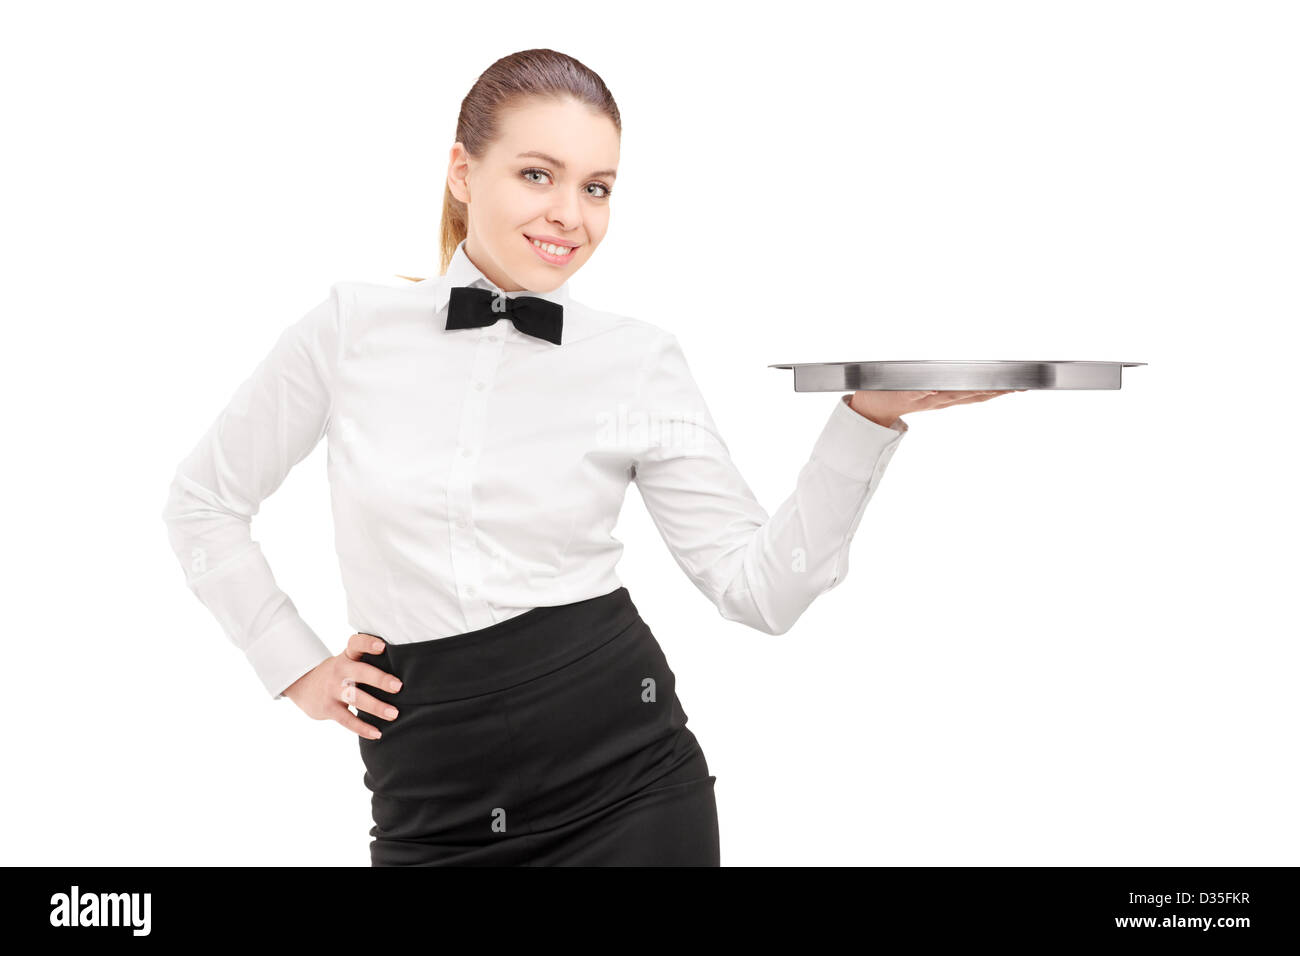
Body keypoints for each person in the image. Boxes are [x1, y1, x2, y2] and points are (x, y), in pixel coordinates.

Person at [160, 48, 1020, 866]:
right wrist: (296, 667)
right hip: (429, 799)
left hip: (628, 782)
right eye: (538, 173)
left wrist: (865, 420)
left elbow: (760, 592)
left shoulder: (638, 361)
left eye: (596, 186)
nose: (570, 214)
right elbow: (203, 501)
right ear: (463, 172)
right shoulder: (347, 328)